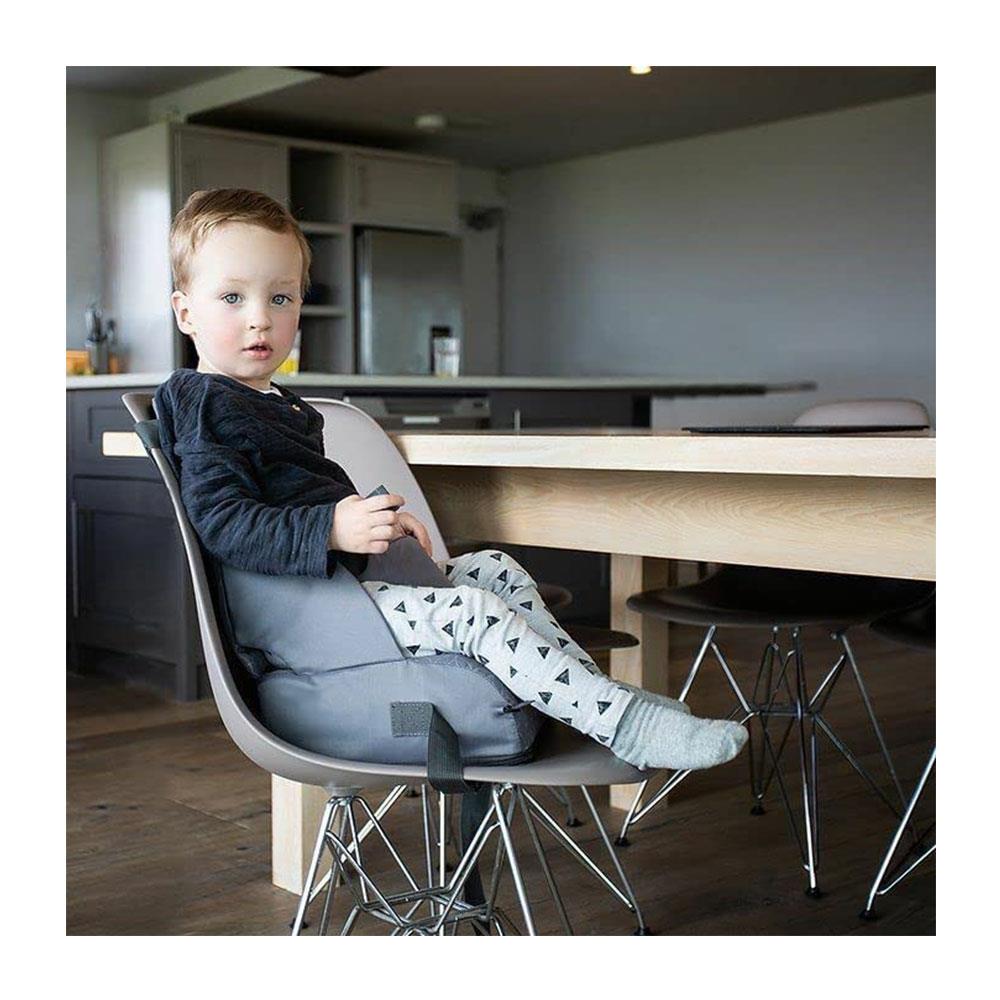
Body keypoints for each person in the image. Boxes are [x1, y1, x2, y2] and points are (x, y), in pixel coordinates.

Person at [156, 187, 748, 772]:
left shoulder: (269, 402)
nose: (260, 318)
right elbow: (224, 523)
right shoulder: (205, 403)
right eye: (232, 297)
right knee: (473, 611)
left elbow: (293, 496)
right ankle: (624, 725)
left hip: (344, 592)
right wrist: (332, 527)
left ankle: (599, 701)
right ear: (186, 313)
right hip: (306, 618)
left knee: (494, 567)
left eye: (281, 297)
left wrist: (374, 523)